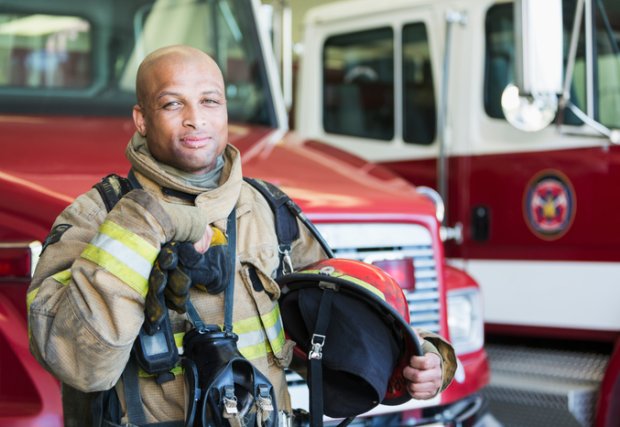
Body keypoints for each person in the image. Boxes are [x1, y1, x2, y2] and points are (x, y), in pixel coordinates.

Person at [27, 45, 456, 426]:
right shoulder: (96, 216)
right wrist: (138, 229)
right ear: (141, 119)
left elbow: (343, 331)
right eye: (172, 104)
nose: (196, 119)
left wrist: (420, 362)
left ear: (225, 111)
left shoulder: (268, 210)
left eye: (209, 101)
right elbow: (82, 366)